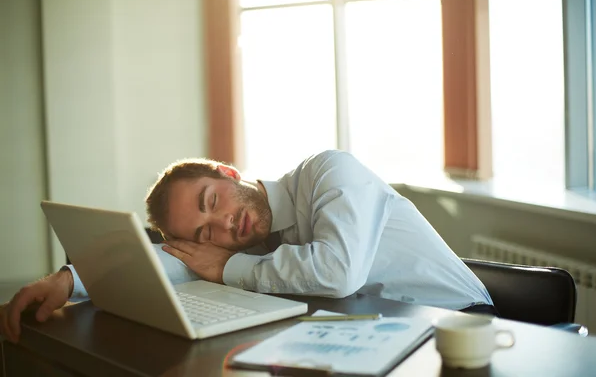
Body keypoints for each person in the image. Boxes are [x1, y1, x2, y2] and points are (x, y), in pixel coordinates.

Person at [0, 150, 496, 343]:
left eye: (211, 200)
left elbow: (338, 272)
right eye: (202, 233)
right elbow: (175, 261)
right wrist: (68, 280)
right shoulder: (246, 245)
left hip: (461, 327)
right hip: (378, 337)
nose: (222, 226)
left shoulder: (330, 173)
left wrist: (228, 266)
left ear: (229, 173)